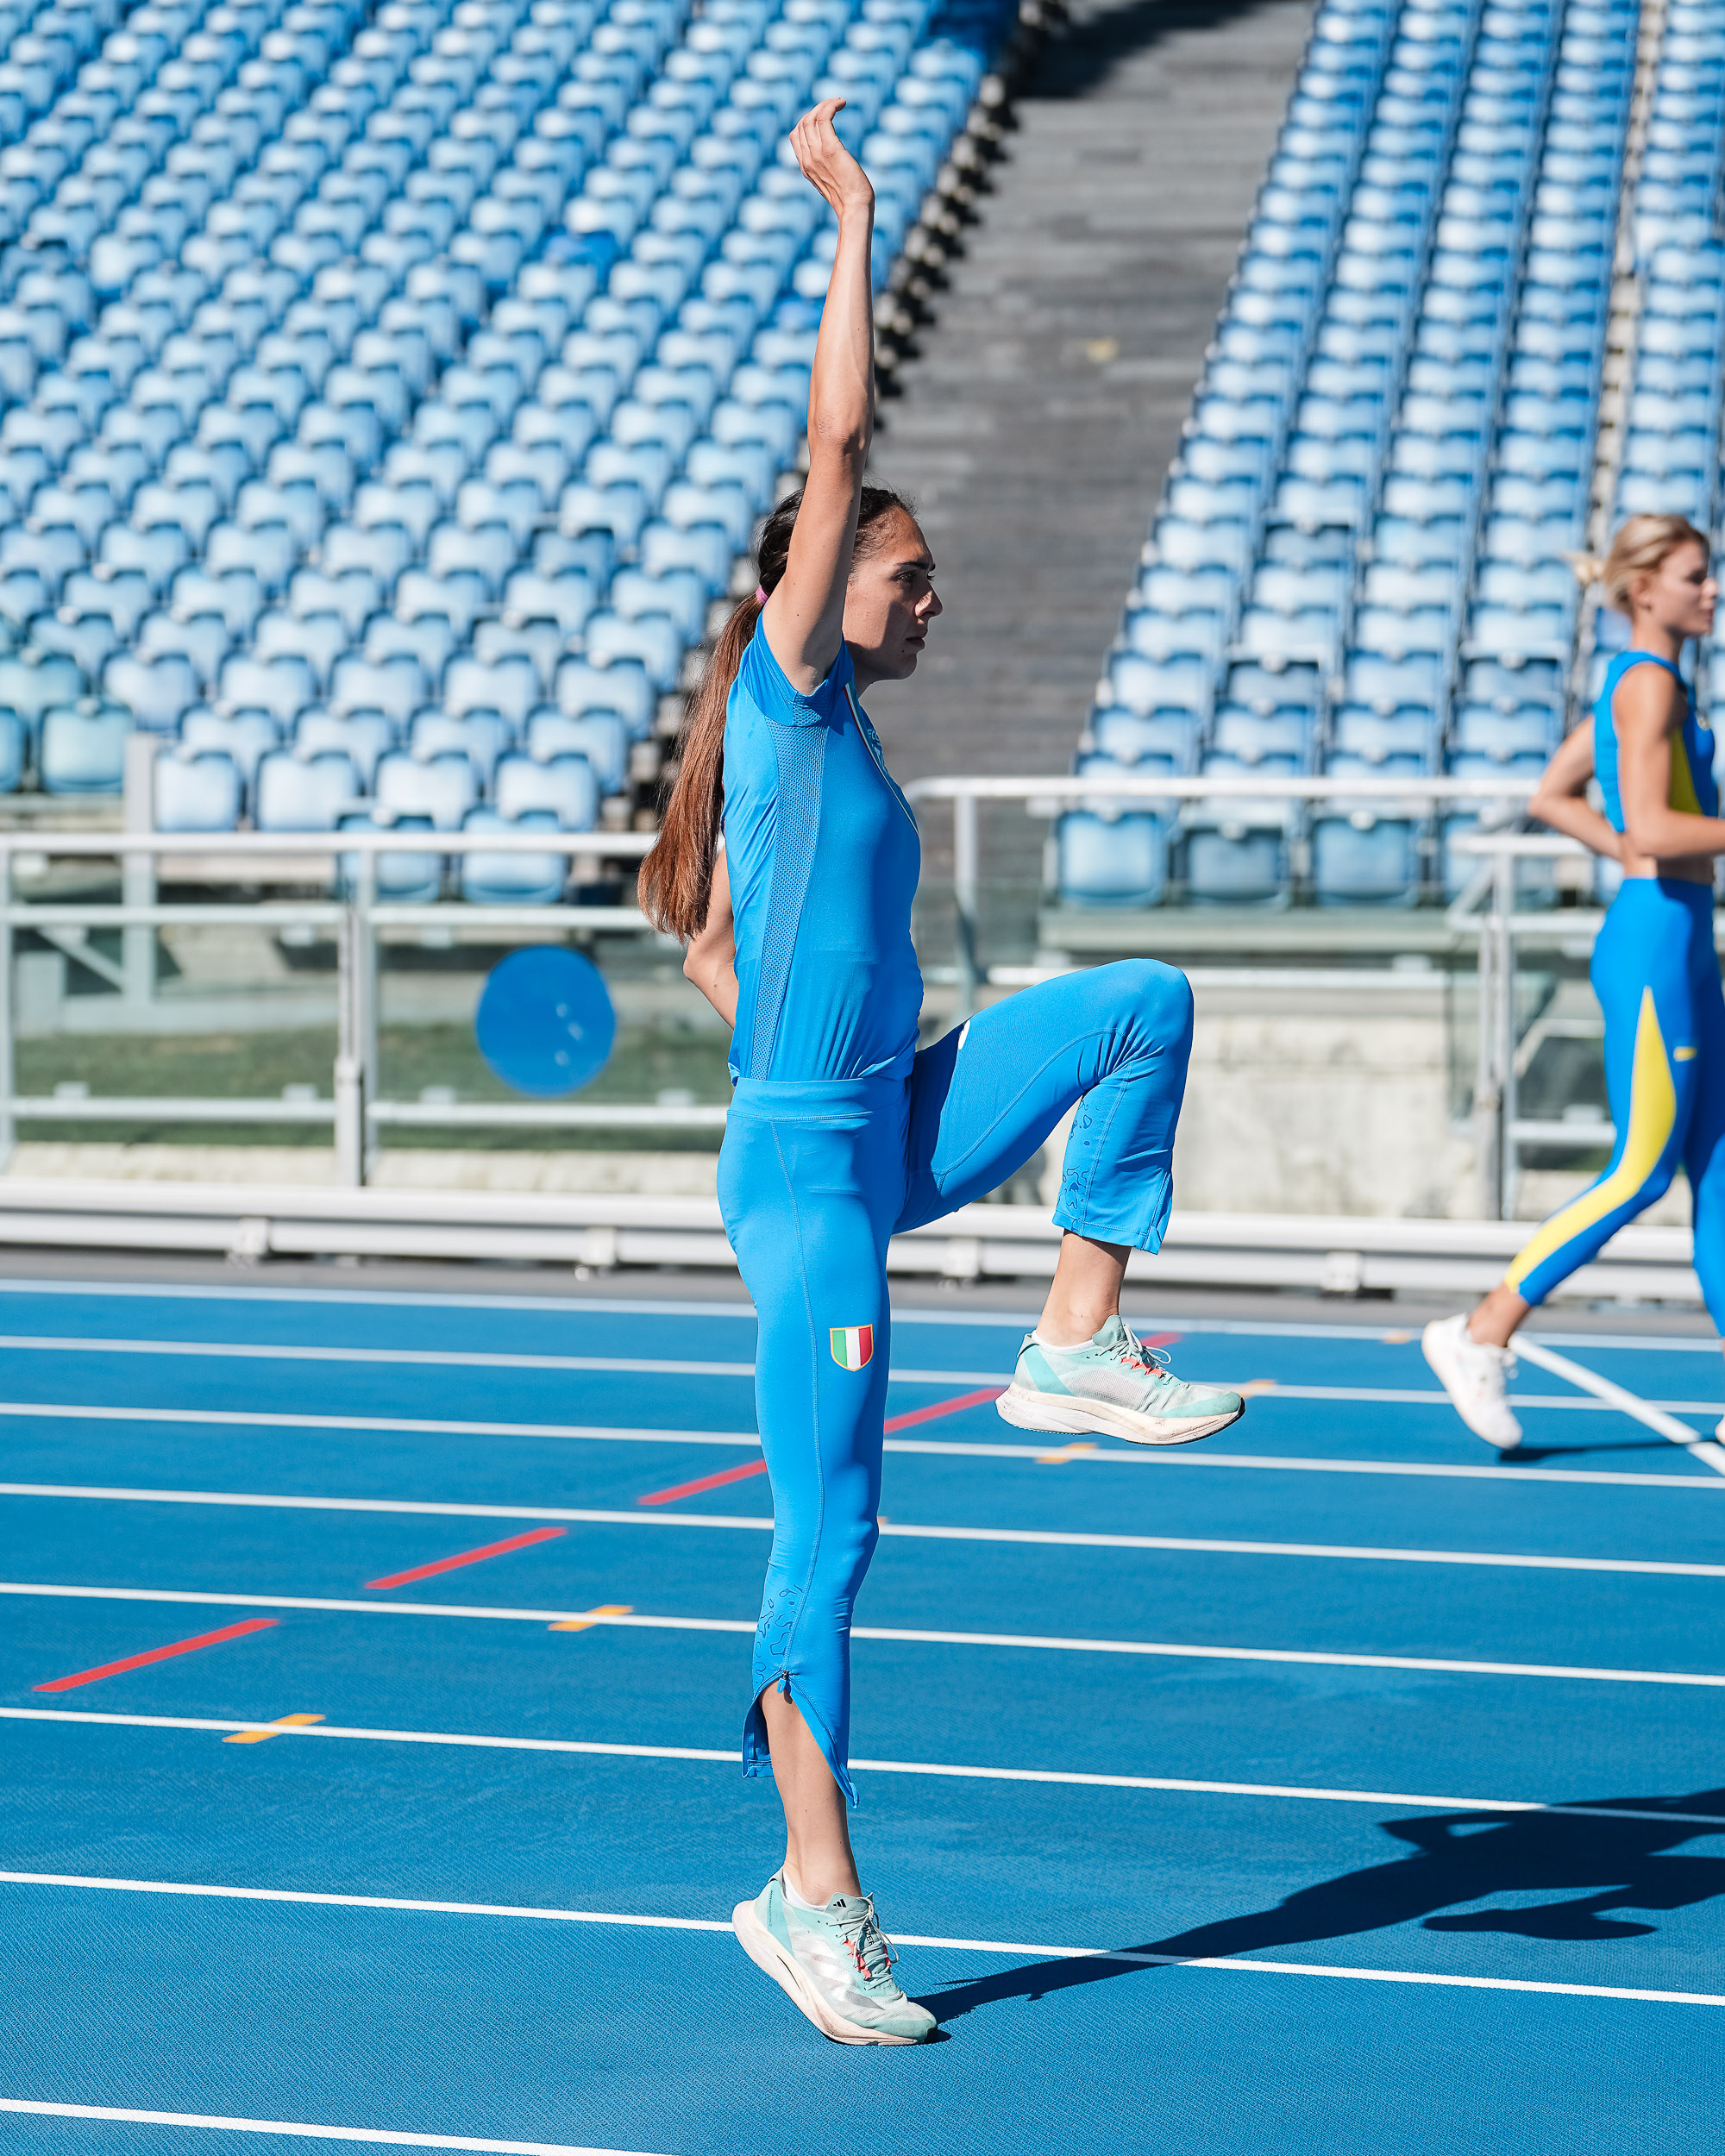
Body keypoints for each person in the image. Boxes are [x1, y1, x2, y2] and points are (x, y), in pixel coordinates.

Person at [637, 100, 1245, 2045]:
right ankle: (808, 1894)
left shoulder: (832, 753)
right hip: (809, 1181)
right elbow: (833, 450)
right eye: (907, 574)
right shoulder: (790, 687)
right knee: (831, 1535)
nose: (931, 598)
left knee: (1142, 1000)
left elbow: (722, 953)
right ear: (819, 588)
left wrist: (801, 1042)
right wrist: (854, 218)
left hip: (877, 1118)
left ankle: (1071, 1338)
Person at [1425, 515, 1722, 1448]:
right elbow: (1654, 829)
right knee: (1640, 1171)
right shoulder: (1647, 684)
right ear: (1644, 589)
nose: (1711, 590)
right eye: (1694, 576)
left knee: (1719, 1170)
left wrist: (1629, 849)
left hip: (1679, 934)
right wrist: (1637, 850)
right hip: (1655, 944)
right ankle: (1481, 1331)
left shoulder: (1644, 682)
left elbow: (1553, 796)